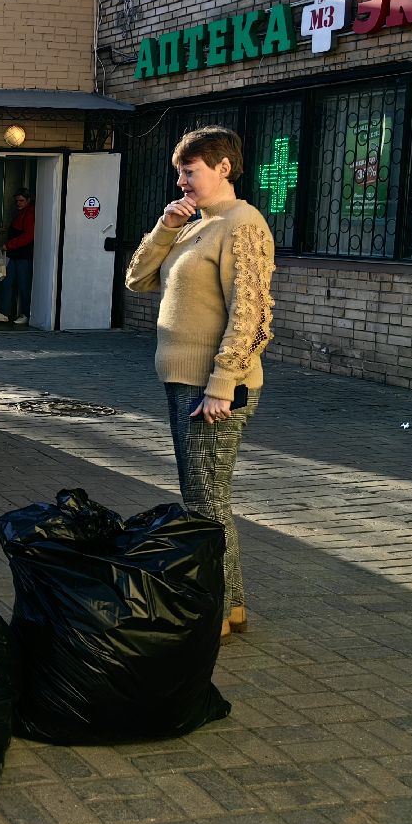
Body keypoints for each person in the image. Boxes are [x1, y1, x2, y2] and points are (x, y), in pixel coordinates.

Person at [124, 126, 275, 643]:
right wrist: (166, 227)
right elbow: (137, 280)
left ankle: (224, 611)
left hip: (214, 390)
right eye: (179, 173)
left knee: (207, 501)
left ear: (223, 168)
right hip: (184, 382)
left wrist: (223, 383)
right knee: (201, 497)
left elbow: (250, 312)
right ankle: (226, 605)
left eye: (191, 171)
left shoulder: (243, 224)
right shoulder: (194, 224)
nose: (182, 181)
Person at [0, 188, 35, 324]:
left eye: (21, 200)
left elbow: (28, 236)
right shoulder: (21, 213)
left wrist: (9, 245)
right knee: (7, 282)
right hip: (14, 254)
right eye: (17, 201)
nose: (18, 203)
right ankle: (4, 312)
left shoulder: (29, 214)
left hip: (22, 255)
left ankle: (24, 313)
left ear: (28, 200)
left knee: (22, 285)